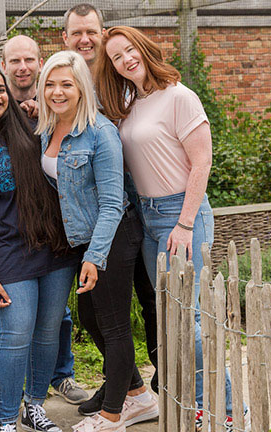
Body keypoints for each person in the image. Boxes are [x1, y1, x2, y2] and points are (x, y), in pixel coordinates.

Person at [95, 26, 249, 431]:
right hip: (148, 218)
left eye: (130, 50)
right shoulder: (130, 103)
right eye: (116, 57)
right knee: (171, 317)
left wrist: (184, 222)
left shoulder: (180, 96)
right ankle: (199, 405)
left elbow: (202, 162)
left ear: (144, 48)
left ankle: (229, 411)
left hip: (182, 216)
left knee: (188, 317)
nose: (126, 59)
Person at [36, 50, 158, 432]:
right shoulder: (48, 128)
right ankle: (137, 393)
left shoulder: (100, 133)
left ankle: (112, 415)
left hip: (112, 236)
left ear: (81, 89)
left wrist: (95, 256)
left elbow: (111, 203)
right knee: (91, 318)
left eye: (66, 84)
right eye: (50, 84)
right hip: (83, 240)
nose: (57, 92)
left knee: (114, 325)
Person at [0, 65, 78, 432]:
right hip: (10, 253)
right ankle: (7, 419)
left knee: (48, 331)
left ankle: (34, 407)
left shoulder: (31, 128)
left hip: (55, 248)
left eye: (0, 89)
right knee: (16, 334)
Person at [63, 3, 161, 412]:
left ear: (103, 34)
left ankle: (165, 383)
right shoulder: (65, 80)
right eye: (77, 33)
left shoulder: (121, 79)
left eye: (92, 32)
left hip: (142, 208)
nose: (85, 39)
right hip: (104, 216)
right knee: (95, 312)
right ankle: (128, 385)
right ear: (65, 38)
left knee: (152, 300)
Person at [0, 34, 89, 410]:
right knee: (6, 319)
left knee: (56, 315)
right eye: (15, 61)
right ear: (4, 65)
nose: (23, 68)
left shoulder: (53, 103)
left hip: (54, 229)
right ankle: (9, 393)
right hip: (10, 232)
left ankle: (60, 376)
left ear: (39, 62)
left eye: (29, 60)